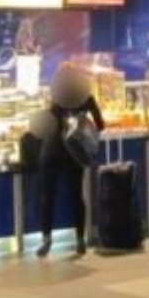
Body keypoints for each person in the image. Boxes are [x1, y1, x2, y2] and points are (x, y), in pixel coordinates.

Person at [36, 62, 104, 258]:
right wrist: (82, 124)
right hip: (75, 154)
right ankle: (80, 240)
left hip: (52, 151)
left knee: (47, 197)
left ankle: (46, 240)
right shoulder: (86, 97)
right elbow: (100, 124)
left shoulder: (56, 97)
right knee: (76, 196)